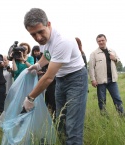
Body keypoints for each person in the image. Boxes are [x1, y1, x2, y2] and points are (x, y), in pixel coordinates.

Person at [22, 8, 88, 145]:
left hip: (76, 79)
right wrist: (38, 65)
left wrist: (30, 98)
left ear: (49, 24)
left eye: (40, 32)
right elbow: (47, 56)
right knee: (60, 121)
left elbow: (47, 78)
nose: (38, 37)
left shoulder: (63, 41)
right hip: (61, 79)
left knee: (73, 125)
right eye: (33, 34)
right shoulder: (44, 42)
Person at [89, 34, 125, 116]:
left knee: (117, 99)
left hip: (112, 80)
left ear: (106, 40)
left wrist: (115, 58)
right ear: (97, 42)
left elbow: (118, 61)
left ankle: (123, 116)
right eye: (99, 41)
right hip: (101, 81)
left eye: (102, 40)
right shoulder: (94, 54)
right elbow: (91, 68)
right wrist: (93, 79)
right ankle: (104, 119)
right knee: (102, 101)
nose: (101, 42)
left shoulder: (112, 51)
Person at [31, 45, 56, 117]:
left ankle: (54, 116)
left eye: (38, 51)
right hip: (47, 81)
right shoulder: (38, 57)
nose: (37, 53)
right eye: (35, 51)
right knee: (47, 99)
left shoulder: (51, 52)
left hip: (52, 80)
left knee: (52, 99)